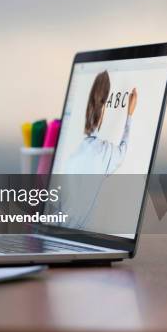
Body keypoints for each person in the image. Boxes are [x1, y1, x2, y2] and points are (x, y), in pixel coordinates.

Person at [59, 70, 137, 228]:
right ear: (103, 111)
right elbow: (122, 151)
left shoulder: (72, 156)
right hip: (80, 236)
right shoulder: (104, 152)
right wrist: (129, 114)